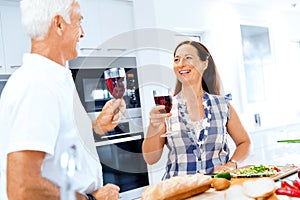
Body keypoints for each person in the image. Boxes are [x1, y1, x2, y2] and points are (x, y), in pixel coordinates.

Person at [0, 0, 125, 199]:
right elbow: (23, 188)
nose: (83, 33)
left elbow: (58, 146)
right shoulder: (36, 84)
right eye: (78, 22)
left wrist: (96, 127)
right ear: (58, 24)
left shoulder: (55, 80)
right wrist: (91, 199)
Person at [142, 40, 251, 179]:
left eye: (188, 58)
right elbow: (151, 159)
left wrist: (232, 164)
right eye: (176, 59)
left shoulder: (223, 105)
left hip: (218, 187)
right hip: (179, 191)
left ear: (204, 64)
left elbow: (245, 143)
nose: (181, 64)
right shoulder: (165, 109)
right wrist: (153, 126)